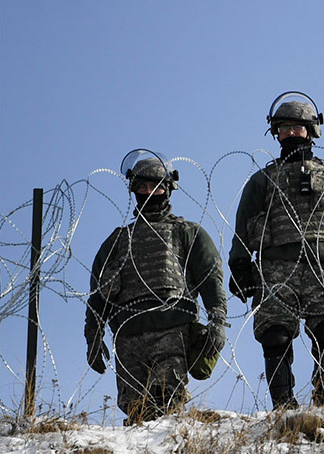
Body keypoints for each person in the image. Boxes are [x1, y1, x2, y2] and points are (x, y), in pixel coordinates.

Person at [229, 91, 324, 409]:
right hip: (276, 268)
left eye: (297, 127)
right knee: (275, 337)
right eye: (284, 127)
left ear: (311, 130)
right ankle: (284, 407)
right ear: (275, 132)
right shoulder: (262, 181)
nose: (291, 133)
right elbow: (243, 224)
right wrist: (239, 265)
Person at [85, 149, 228, 425]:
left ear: (168, 189)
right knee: (136, 412)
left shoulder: (187, 233)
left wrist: (218, 321)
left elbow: (211, 279)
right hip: (128, 337)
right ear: (134, 189)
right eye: (142, 186)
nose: (148, 192)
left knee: (166, 404)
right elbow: (99, 293)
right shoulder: (117, 242)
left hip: (171, 330)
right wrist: (93, 334)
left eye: (155, 187)